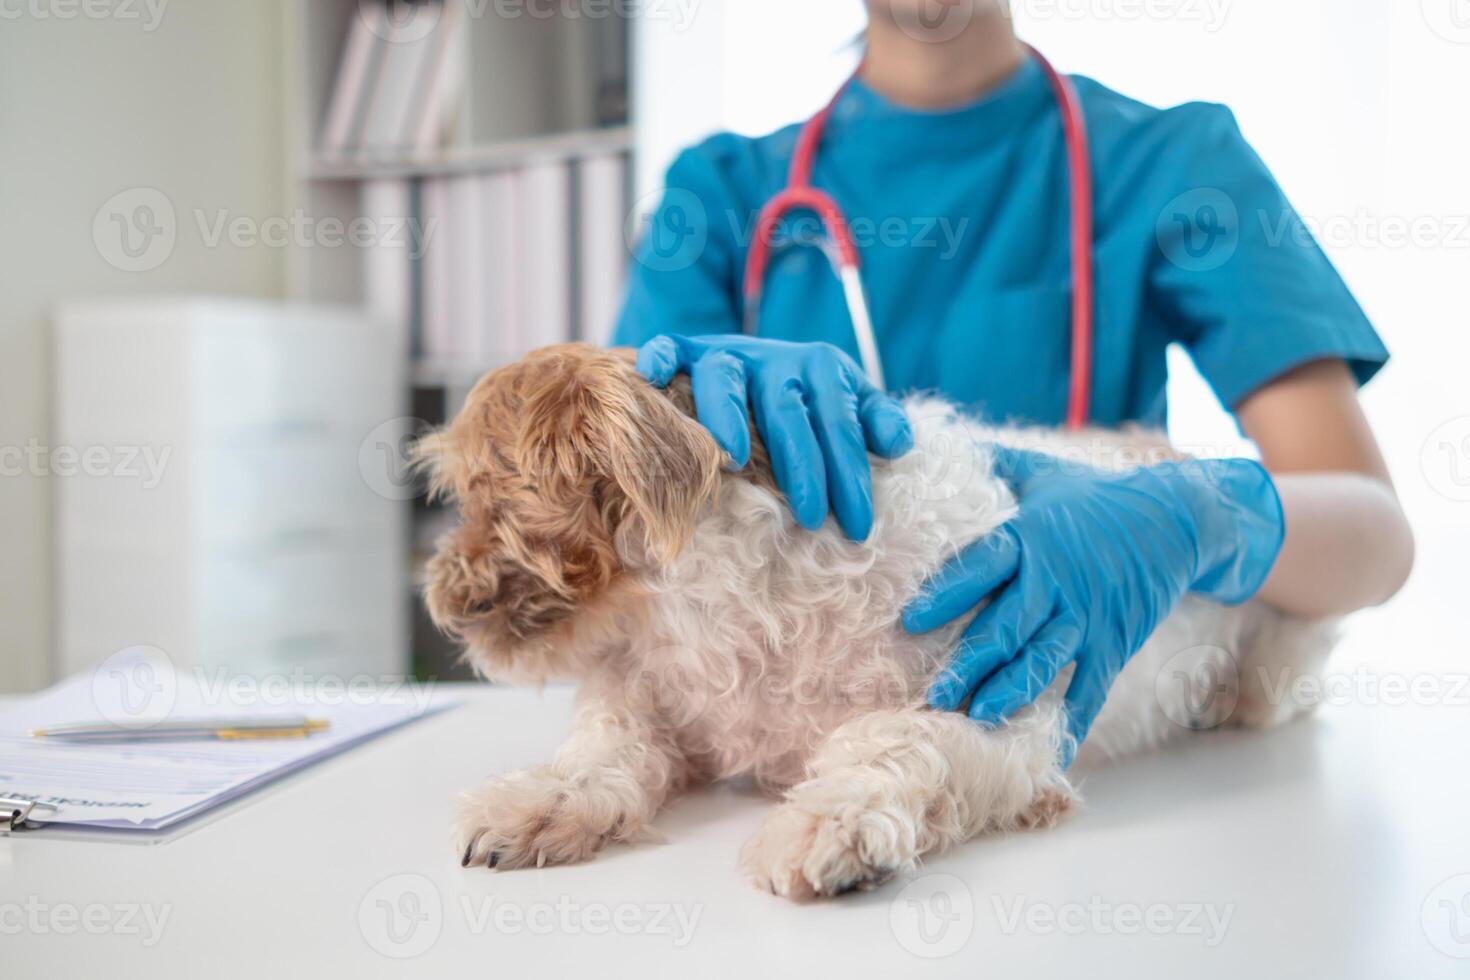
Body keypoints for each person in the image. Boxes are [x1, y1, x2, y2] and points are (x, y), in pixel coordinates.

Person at [611, 0, 1414, 757]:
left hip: (1064, 756)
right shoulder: (716, 197)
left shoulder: (1175, 166)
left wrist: (1198, 516)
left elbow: (1375, 536)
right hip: (783, 755)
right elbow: (613, 550)